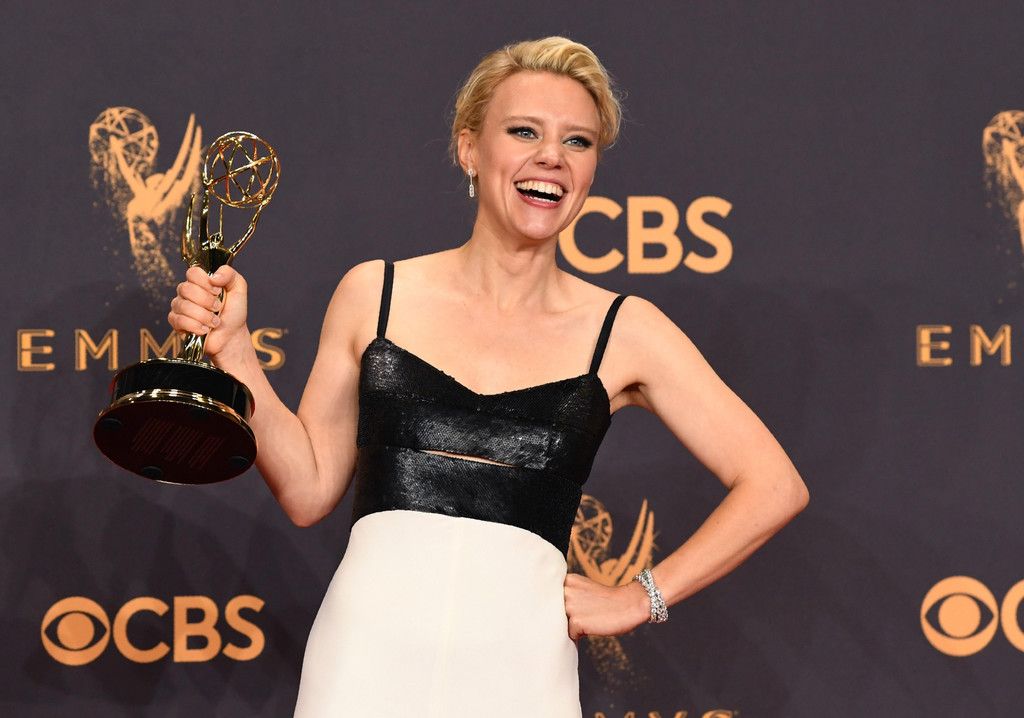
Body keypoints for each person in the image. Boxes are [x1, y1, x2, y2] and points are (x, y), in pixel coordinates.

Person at [168, 36, 809, 718]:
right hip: (363, 662)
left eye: (577, 141)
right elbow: (307, 491)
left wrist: (641, 596)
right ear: (470, 149)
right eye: (525, 131)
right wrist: (237, 355)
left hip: (521, 673)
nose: (551, 157)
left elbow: (774, 485)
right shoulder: (375, 293)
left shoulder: (623, 329)